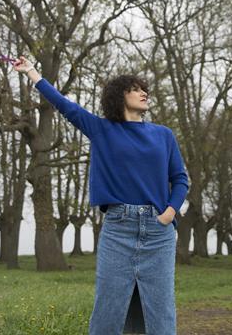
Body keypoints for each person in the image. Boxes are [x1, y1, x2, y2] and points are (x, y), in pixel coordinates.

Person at [10, 55, 189, 335]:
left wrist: (169, 212)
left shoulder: (163, 135)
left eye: (145, 89)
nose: (144, 93)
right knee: (108, 310)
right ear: (119, 96)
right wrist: (32, 71)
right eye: (136, 89)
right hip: (119, 230)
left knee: (160, 311)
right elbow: (64, 105)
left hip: (158, 231)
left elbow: (180, 179)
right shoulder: (102, 129)